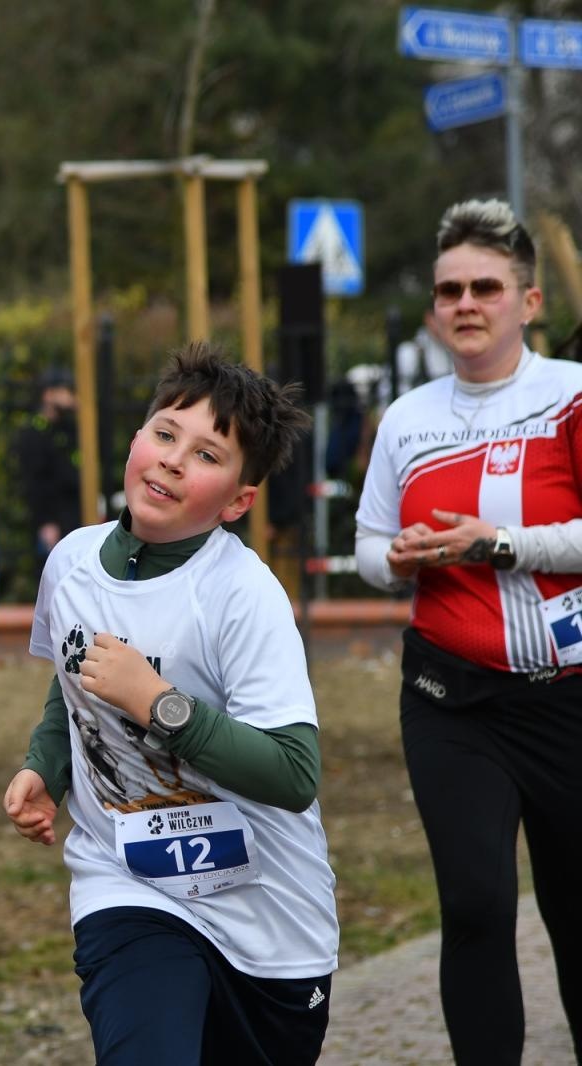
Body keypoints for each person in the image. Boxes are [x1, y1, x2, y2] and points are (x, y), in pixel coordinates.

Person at [4, 342, 336, 1066]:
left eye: (208, 454)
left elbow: (293, 773)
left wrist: (161, 705)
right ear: (135, 437)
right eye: (164, 433)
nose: (174, 460)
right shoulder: (70, 565)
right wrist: (45, 767)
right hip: (127, 883)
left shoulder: (244, 597)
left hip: (268, 918)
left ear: (239, 500)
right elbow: (73, 688)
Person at [355, 199, 582, 1065]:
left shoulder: (572, 394)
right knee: (478, 908)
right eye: (450, 289)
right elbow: (369, 550)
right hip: (454, 700)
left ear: (527, 301)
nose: (466, 303)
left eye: (487, 286)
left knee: (576, 914)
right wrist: (405, 559)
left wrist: (498, 546)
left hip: (570, 699)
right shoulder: (408, 420)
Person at [12, 370, 82, 569]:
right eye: (66, 390)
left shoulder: (69, 429)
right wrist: (46, 522)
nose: (71, 396)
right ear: (48, 394)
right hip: (54, 519)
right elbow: (34, 483)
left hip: (74, 516)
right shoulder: (33, 433)